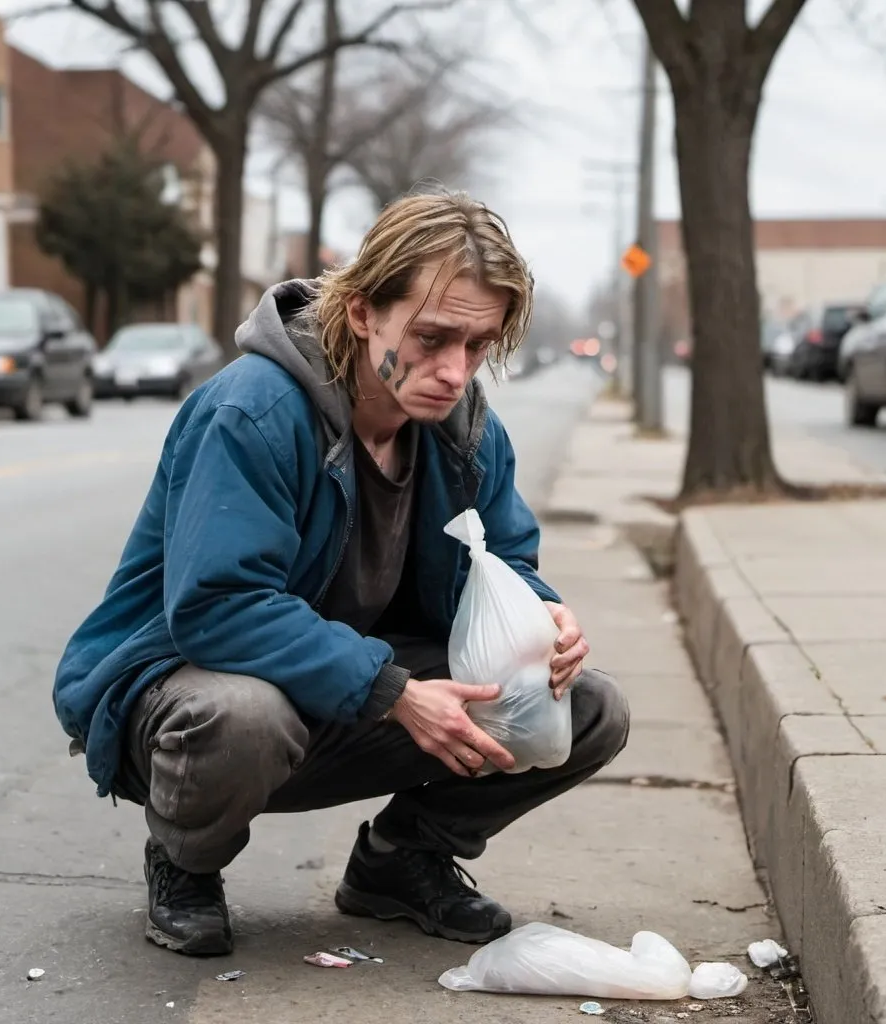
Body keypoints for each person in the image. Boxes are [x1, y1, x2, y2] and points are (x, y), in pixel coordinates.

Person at [53, 189, 629, 958]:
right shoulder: (253, 412)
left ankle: (399, 862)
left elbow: (505, 563)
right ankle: (183, 863)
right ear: (362, 313)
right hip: (187, 693)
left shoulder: (467, 435)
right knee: (244, 718)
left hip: (349, 690)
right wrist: (393, 692)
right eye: (432, 338)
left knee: (587, 708)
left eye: (479, 344)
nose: (455, 371)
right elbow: (219, 606)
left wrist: (543, 621)